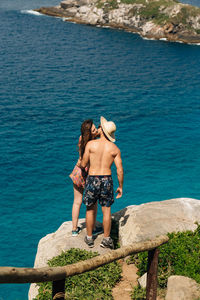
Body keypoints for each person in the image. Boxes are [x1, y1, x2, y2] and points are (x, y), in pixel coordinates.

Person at [81, 116, 123, 249]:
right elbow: (120, 170)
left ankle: (89, 238)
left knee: (90, 210)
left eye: (100, 126)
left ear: (102, 131)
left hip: (92, 178)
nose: (98, 127)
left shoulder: (90, 144)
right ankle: (106, 239)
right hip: (106, 179)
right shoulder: (114, 149)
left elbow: (83, 164)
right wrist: (120, 186)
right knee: (106, 211)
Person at [69, 119, 99, 237]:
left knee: (77, 202)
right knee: (92, 203)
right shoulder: (93, 144)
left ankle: (74, 229)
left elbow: (81, 160)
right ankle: (93, 227)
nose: (96, 130)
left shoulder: (81, 139)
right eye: (94, 130)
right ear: (89, 133)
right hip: (88, 175)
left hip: (77, 172)